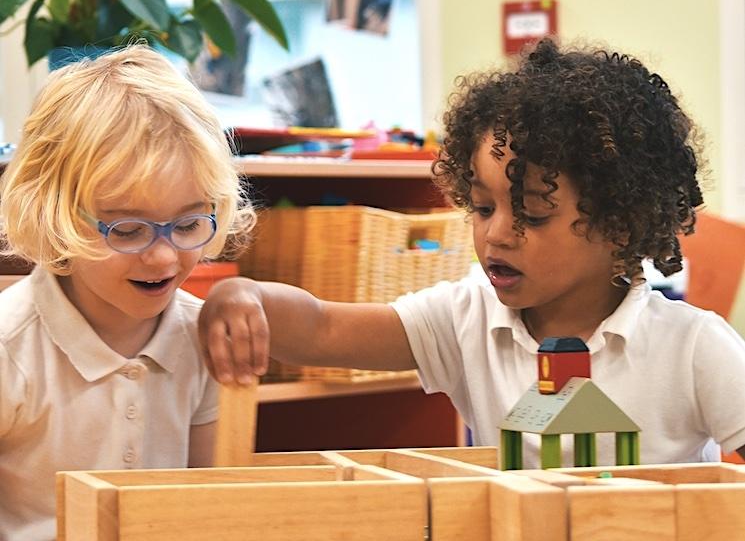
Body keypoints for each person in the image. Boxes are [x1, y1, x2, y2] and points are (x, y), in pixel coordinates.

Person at [198, 38, 745, 468]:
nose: (497, 235)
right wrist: (243, 295)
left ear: (619, 224)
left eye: (532, 212)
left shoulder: (694, 350)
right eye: (483, 208)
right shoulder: (467, 318)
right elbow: (322, 329)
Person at [0, 45, 254, 540]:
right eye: (128, 230)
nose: (162, 257)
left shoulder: (202, 340)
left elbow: (211, 509)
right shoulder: (10, 349)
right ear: (54, 216)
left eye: (186, 224)